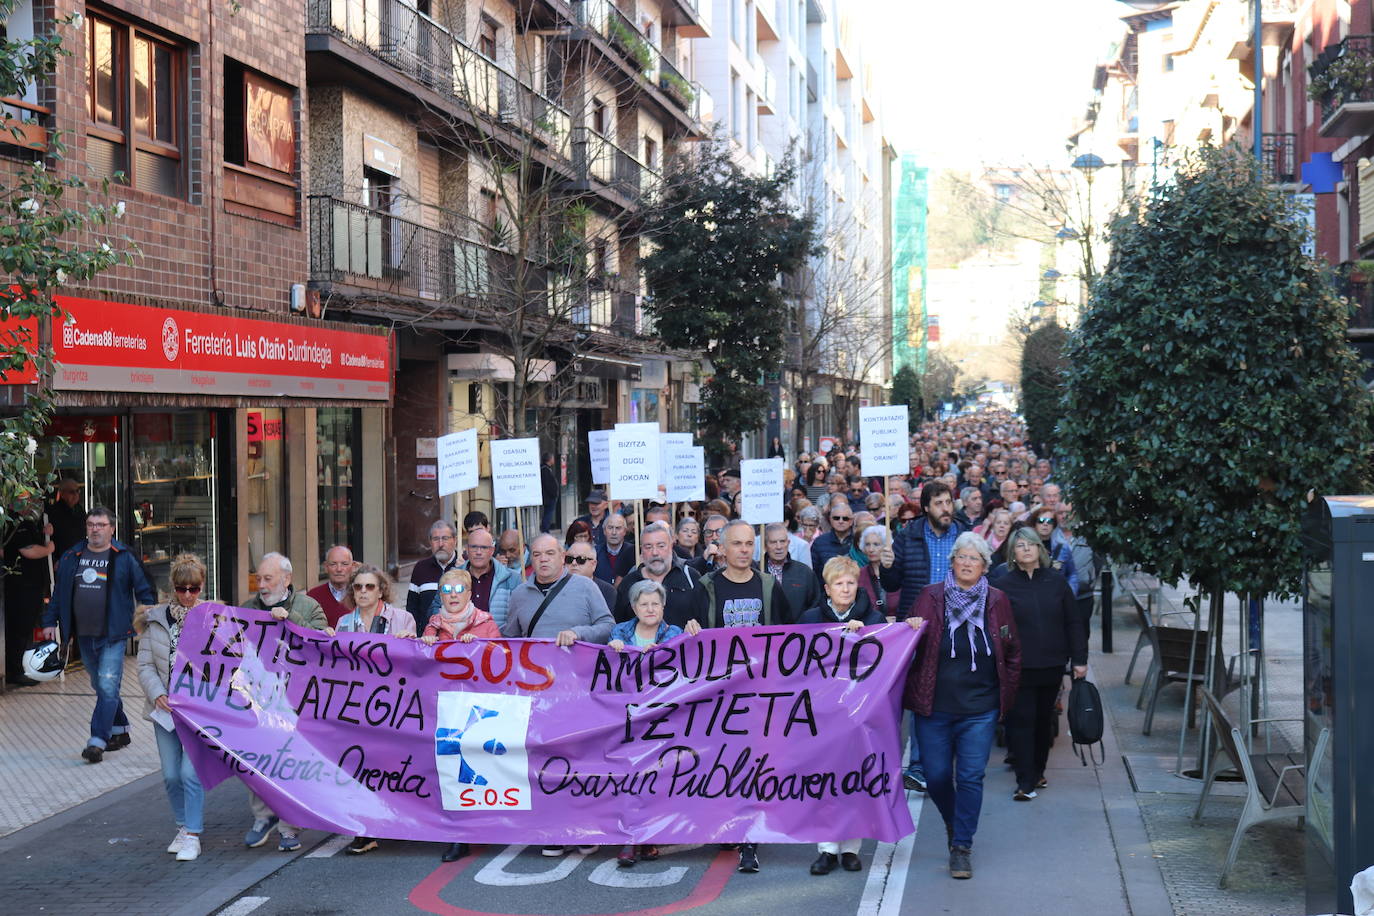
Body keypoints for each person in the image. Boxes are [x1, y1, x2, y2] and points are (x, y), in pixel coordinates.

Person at [904, 532, 1021, 880]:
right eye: (962, 557)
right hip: (934, 707)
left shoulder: (998, 600)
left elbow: (1012, 652)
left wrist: (1005, 699)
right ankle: (954, 823)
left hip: (980, 709)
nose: (967, 563)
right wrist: (911, 628)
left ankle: (961, 846)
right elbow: (906, 646)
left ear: (985, 566)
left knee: (970, 776)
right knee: (937, 776)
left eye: (975, 558)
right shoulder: (929, 596)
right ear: (952, 561)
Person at [686, 519, 791, 874]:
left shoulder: (768, 586)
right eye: (738, 544)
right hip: (720, 693)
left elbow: (790, 632)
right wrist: (690, 629)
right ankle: (728, 825)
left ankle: (750, 841)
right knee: (725, 764)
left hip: (761, 691)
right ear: (723, 548)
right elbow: (688, 632)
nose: (745, 550)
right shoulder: (707, 587)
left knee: (755, 765)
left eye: (749, 544)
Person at [501, 533, 613, 858]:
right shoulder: (520, 595)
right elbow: (511, 640)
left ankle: (587, 826)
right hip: (538, 697)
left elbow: (608, 625)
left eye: (550, 553)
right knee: (544, 763)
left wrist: (579, 634)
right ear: (530, 559)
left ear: (562, 557)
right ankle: (553, 828)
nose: (544, 559)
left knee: (583, 762)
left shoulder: (585, 588)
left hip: (581, 691)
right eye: (537, 554)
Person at [796, 555, 891, 876]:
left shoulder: (874, 617)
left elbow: (885, 661)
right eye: (839, 583)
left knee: (855, 782)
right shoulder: (810, 619)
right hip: (821, 713)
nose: (846, 588)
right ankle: (826, 849)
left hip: (859, 714)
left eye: (851, 582)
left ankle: (851, 849)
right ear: (827, 588)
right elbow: (796, 663)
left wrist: (870, 635)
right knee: (823, 781)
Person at [41, 507, 156, 763]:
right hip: (83, 634)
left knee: (106, 684)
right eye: (91, 524)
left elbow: (145, 590)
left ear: (111, 529)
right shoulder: (73, 555)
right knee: (102, 686)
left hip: (113, 634)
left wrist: (150, 617)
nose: (95, 529)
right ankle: (120, 729)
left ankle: (97, 740)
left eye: (101, 525)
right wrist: (50, 621)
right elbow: (59, 593)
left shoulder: (124, 556)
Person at [880, 481, 969, 793]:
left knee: (955, 696)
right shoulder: (909, 537)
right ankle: (919, 768)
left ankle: (949, 763)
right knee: (923, 697)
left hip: (960, 626)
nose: (947, 508)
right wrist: (886, 566)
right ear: (927, 508)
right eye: (940, 503)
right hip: (918, 628)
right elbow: (892, 584)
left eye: (949, 502)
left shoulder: (965, 535)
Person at [239, 553, 329, 851]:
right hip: (259, 698)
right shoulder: (248, 609)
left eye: (268, 579)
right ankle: (263, 817)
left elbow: (321, 642)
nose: (261, 586)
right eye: (259, 579)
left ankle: (289, 827)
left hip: (297, 700)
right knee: (257, 758)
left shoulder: (307, 606)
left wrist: (289, 617)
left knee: (291, 762)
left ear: (286, 580)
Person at [990, 527, 1087, 801]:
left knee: (1044, 722)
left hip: (1052, 664)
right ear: (1013, 554)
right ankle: (1025, 780)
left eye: (1031, 544)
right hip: (1019, 667)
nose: (1026, 549)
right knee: (1021, 722)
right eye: (1020, 546)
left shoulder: (1056, 581)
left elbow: (1073, 621)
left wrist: (1080, 659)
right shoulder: (1004, 585)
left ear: (1040, 550)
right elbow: (998, 626)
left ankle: (1038, 771)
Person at [136, 553, 208, 861]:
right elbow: (144, 665)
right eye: (182, 588)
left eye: (193, 588)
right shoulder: (155, 620)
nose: (188, 595)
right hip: (164, 710)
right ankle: (182, 826)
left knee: (190, 773)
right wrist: (156, 694)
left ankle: (193, 833)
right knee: (170, 774)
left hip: (199, 713)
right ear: (173, 588)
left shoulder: (213, 618)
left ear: (202, 586)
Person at [4, 500, 54, 686]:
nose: (31, 505)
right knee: (20, 629)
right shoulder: (16, 524)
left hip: (30, 585)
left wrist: (45, 533)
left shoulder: (26, 523)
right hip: (22, 587)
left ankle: (22, 667)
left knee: (25, 629)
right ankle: (15, 671)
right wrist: (49, 549)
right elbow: (28, 550)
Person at [614, 521, 698, 627]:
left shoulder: (690, 577)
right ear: (641, 550)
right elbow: (619, 627)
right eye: (648, 547)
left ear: (671, 546)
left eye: (661, 546)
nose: (655, 552)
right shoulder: (628, 583)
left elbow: (704, 620)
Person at [406, 520, 462, 633]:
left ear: (455, 540)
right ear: (430, 542)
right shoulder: (421, 568)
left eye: (445, 538)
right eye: (436, 539)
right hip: (427, 639)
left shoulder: (464, 566)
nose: (440, 544)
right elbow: (412, 608)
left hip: (458, 638)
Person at [422, 569, 501, 644]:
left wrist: (478, 644)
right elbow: (423, 656)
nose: (453, 595)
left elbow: (499, 654)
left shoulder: (486, 622)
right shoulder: (432, 626)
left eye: (459, 589)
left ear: (469, 595)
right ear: (441, 597)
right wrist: (426, 643)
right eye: (447, 589)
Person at [336, 564, 416, 638]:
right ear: (353, 591)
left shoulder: (404, 619)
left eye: (370, 586)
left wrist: (409, 640)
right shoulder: (343, 622)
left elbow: (412, 651)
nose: (363, 590)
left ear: (381, 592)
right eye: (358, 586)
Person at [758, 523, 815, 621]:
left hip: (797, 633)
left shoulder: (804, 572)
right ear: (765, 545)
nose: (779, 546)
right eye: (773, 542)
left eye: (782, 541)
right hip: (765, 634)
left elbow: (814, 606)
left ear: (788, 543)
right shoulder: (756, 571)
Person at [307, 545, 356, 628]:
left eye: (344, 564)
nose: (339, 569)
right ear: (326, 567)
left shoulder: (361, 595)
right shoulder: (312, 596)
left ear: (353, 567)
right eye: (333, 564)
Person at [856, 525, 898, 621]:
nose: (871, 549)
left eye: (876, 544)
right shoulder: (859, 575)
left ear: (887, 546)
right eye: (867, 544)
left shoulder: (898, 573)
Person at [565, 539, 616, 613]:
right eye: (569, 559)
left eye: (581, 559)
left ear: (593, 564)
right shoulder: (557, 587)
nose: (574, 563)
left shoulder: (607, 591)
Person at [810, 500, 855, 581]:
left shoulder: (858, 541)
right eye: (836, 518)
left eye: (845, 518)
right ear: (830, 519)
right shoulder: (819, 542)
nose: (840, 521)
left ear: (851, 521)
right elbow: (813, 573)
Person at [45, 477, 86, 559]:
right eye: (71, 492)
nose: (75, 494)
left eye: (77, 491)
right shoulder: (54, 512)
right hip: (62, 558)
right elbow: (50, 538)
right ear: (62, 494)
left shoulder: (80, 510)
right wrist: (55, 559)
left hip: (79, 556)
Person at [594, 512, 636, 585]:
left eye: (618, 528)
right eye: (610, 528)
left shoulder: (633, 552)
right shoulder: (594, 553)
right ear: (604, 531)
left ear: (625, 531)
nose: (614, 532)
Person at [540, 452, 559, 533]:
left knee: (549, 512)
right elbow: (548, 484)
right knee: (548, 513)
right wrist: (553, 494)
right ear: (549, 459)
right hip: (549, 497)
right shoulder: (545, 470)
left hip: (550, 496)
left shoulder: (547, 469)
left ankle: (545, 528)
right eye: (552, 458)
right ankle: (545, 529)